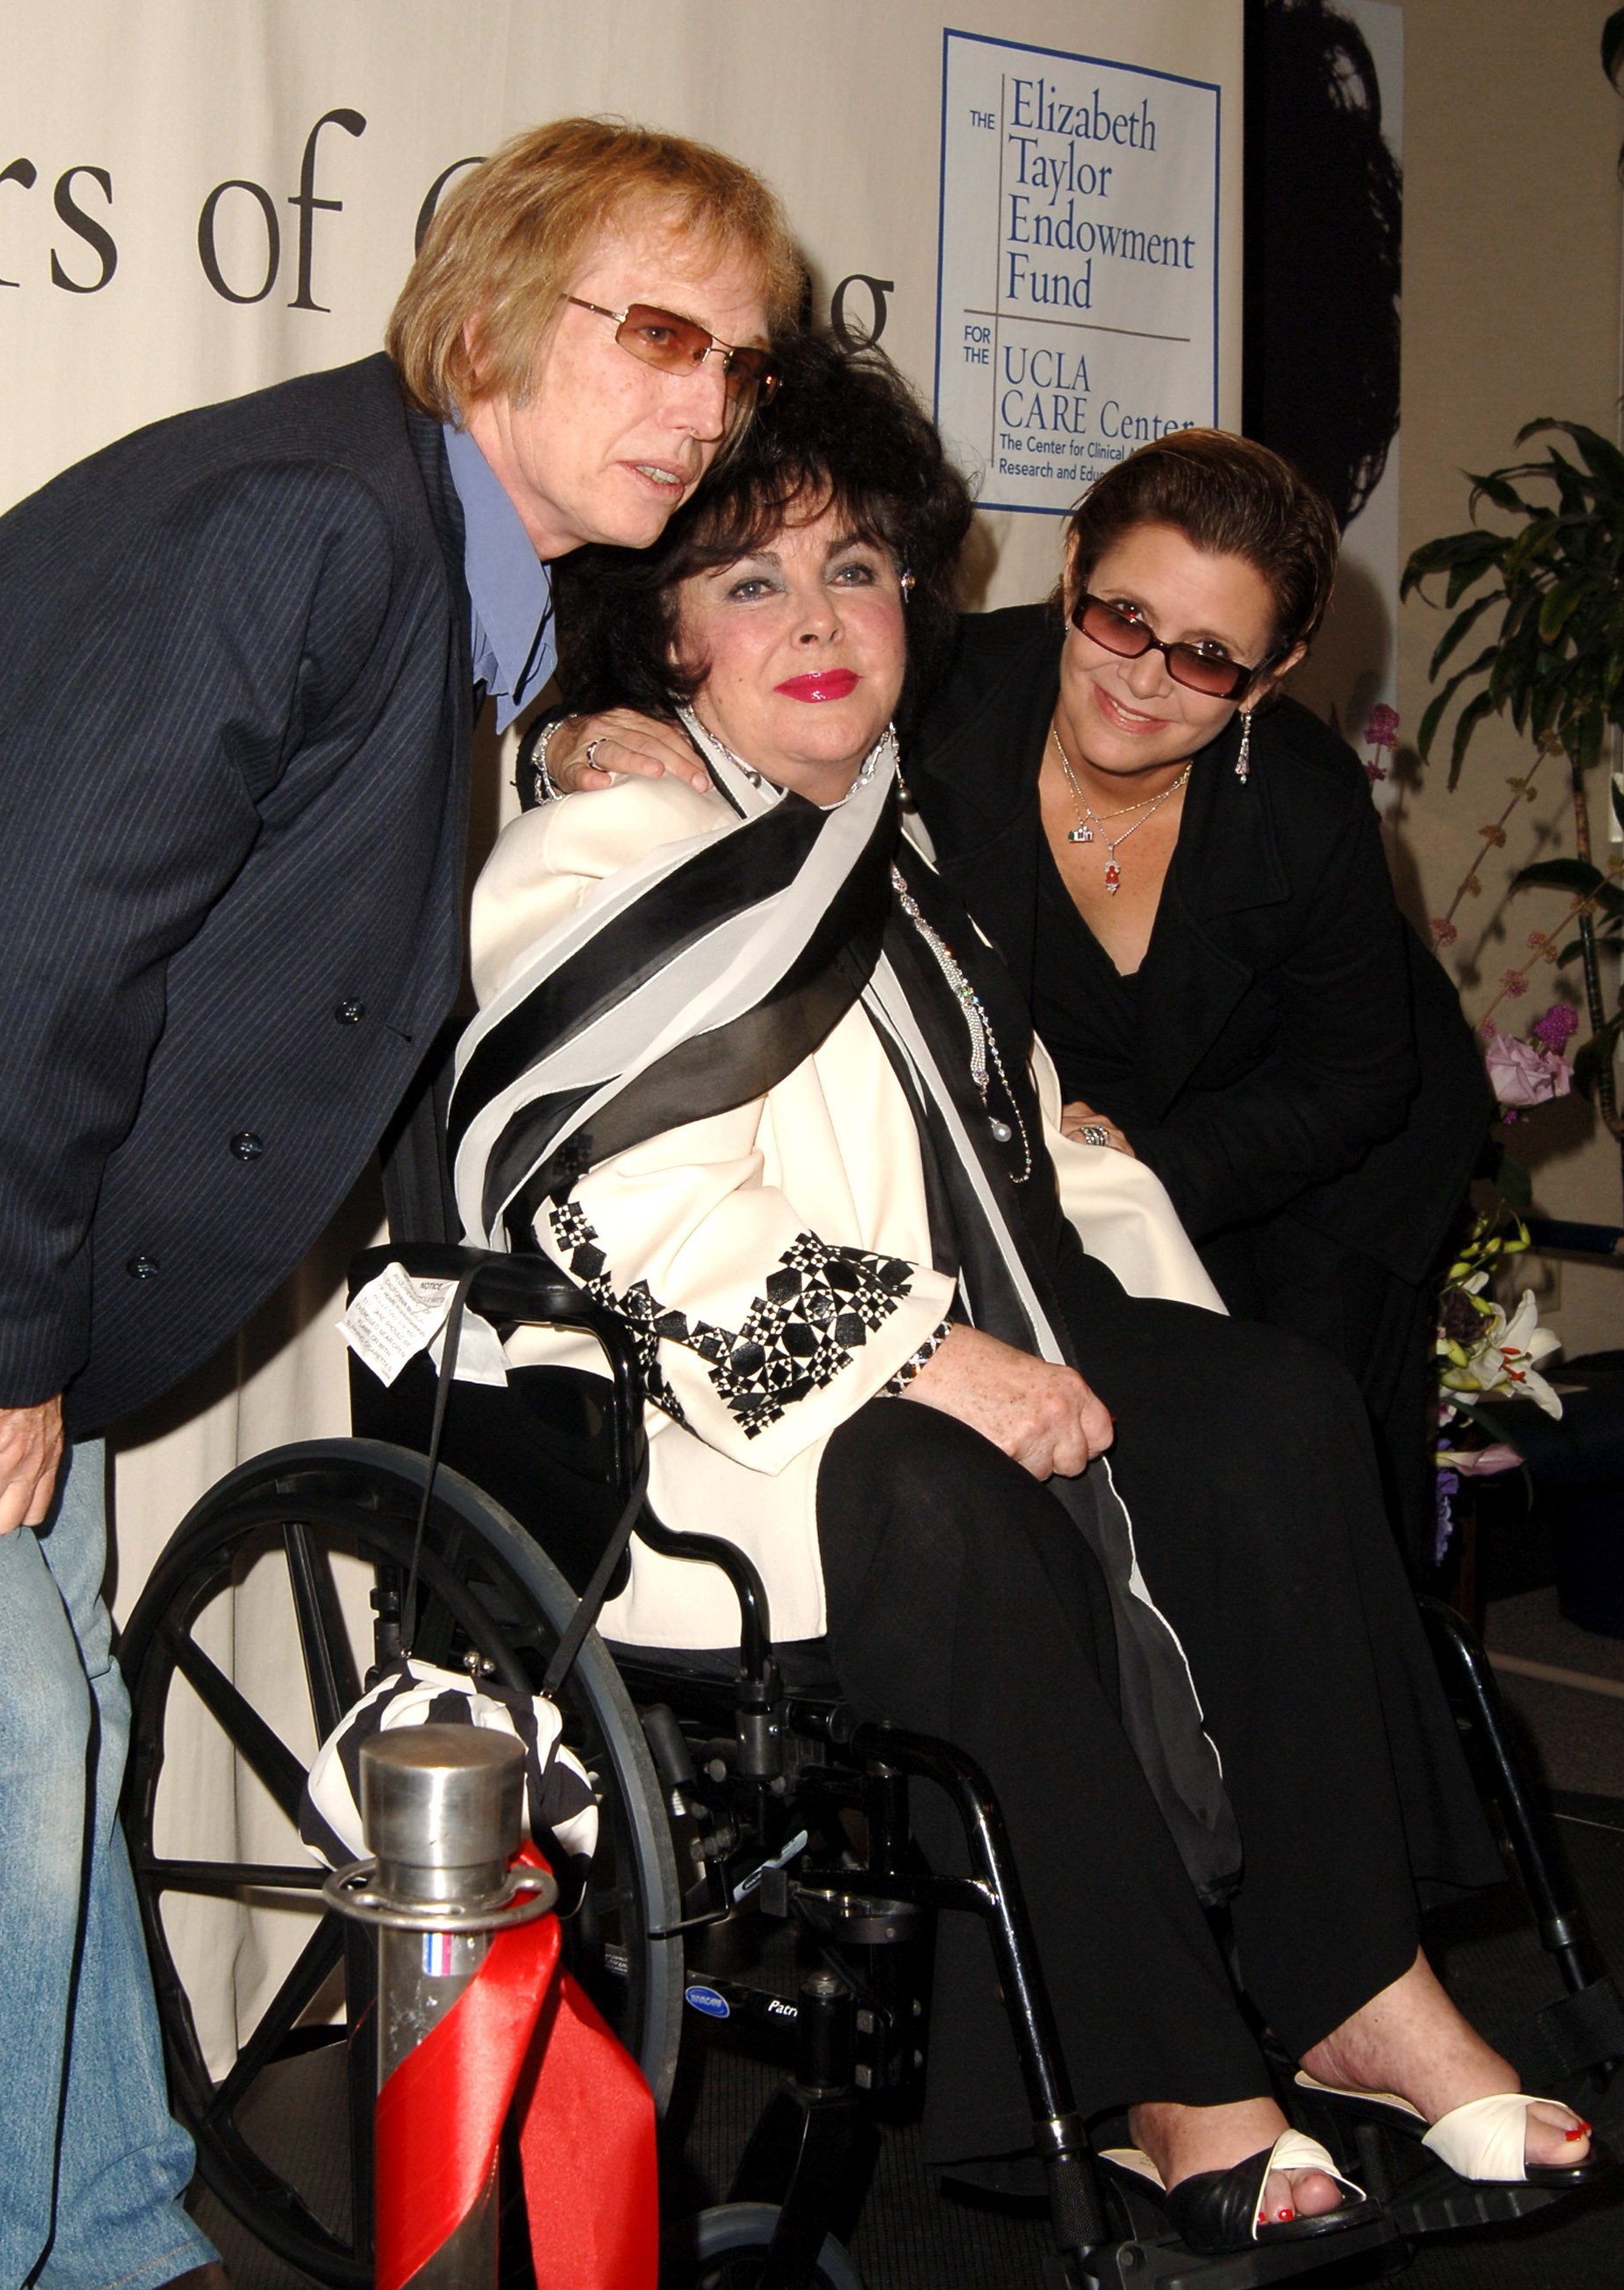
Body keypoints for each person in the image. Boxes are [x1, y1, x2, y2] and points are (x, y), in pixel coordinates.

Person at [0, 116, 797, 2290]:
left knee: (58, 1706)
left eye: (741, 360)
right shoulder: (314, 528)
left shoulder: (427, 567)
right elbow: (44, 948)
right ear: (492, 316)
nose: (706, 403)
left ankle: (107, 2252)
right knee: (7, 1728)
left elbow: (323, 967)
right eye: (656, 334)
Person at [455, 334, 1594, 2288]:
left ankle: (1353, 1986)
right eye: (752, 582)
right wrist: (932, 1351)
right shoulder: (606, 844)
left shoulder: (887, 837)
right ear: (673, 641)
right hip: (735, 1406)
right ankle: (1168, 2080)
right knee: (953, 1494)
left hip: (963, 1312)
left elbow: (1031, 1141)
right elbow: (616, 1200)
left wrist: (1125, 1297)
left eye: (855, 574)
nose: (817, 622)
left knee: (1268, 1411)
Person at [534, 430, 1490, 1571]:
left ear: (1268, 676)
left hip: (1316, 1150)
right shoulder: (931, 690)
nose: (1142, 678)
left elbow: (1356, 1080)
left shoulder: (1303, 804)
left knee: (1300, 1429)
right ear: (1071, 566)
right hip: (1065, 1151)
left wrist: (1146, 1158)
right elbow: (705, 692)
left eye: (1205, 657)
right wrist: (572, 737)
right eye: (1120, 617)